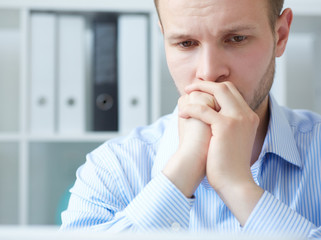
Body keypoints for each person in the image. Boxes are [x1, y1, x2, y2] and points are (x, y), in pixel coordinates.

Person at [61, 0, 321, 237]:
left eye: (237, 38)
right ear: (164, 39)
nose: (208, 72)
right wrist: (183, 170)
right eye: (186, 43)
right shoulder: (111, 169)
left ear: (281, 36)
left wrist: (236, 185)